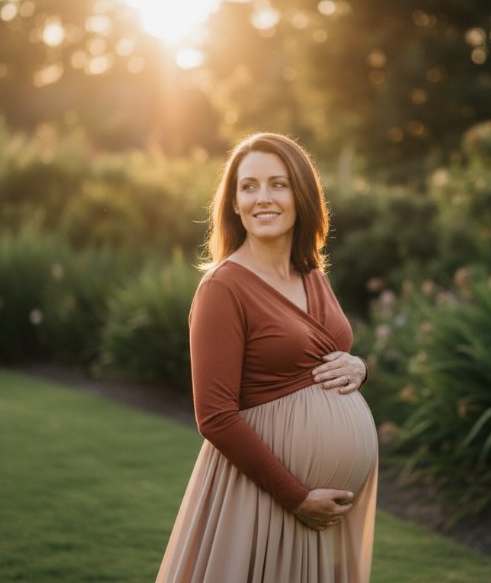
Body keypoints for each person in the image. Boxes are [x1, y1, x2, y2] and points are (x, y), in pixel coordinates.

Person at [156, 133, 378, 583]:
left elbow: (328, 353)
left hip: (320, 505)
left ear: (302, 194)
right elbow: (215, 416)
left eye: (278, 184)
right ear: (234, 204)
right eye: (249, 186)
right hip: (265, 497)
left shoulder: (311, 271)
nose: (263, 198)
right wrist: (296, 497)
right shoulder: (223, 288)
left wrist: (359, 367)